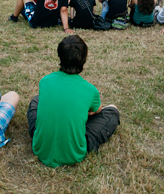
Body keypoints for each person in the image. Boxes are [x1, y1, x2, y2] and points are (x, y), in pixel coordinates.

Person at [27, 35, 120, 167]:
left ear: (60, 56)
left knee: (36, 100)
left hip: (40, 148)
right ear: (84, 60)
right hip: (74, 153)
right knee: (112, 110)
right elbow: (97, 110)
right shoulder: (90, 90)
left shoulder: (45, 81)